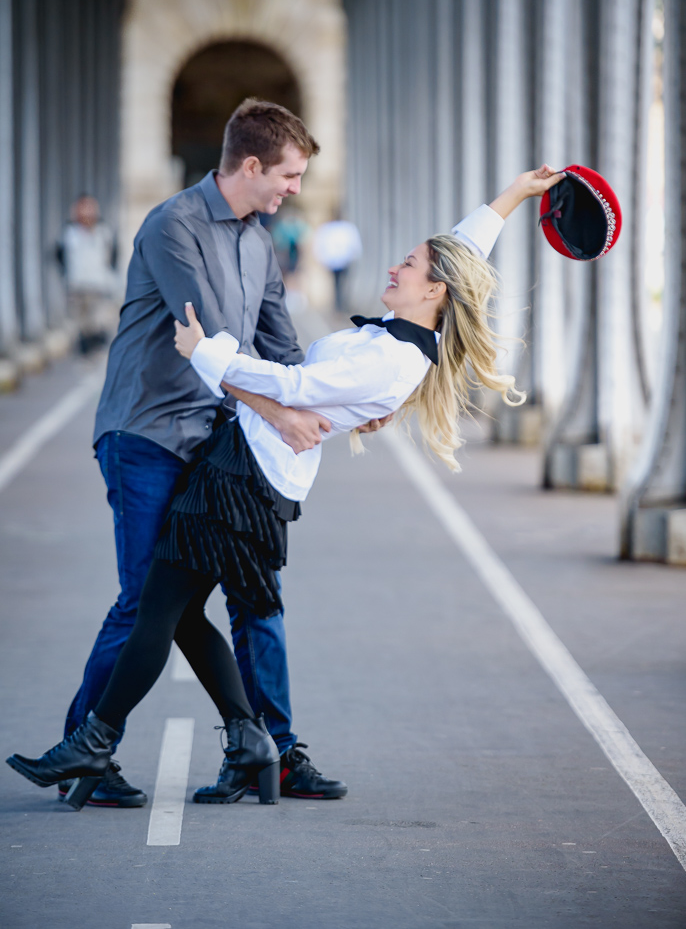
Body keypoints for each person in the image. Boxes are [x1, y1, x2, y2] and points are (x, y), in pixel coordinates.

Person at [7, 166, 566, 809]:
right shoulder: (404, 339)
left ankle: (98, 741)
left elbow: (293, 390)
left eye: (408, 265)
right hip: (254, 474)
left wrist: (202, 351)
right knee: (181, 611)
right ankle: (247, 744)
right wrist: (517, 195)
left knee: (160, 607)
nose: (394, 267)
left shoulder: (389, 357)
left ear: (434, 290)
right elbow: (465, 248)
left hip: (240, 476)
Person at [58, 99, 350, 809]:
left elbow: (279, 345)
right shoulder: (173, 226)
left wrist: (339, 406)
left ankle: (273, 753)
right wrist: (281, 412)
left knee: (257, 595)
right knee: (144, 603)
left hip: (222, 436)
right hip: (148, 436)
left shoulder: (261, 240)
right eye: (289, 175)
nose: (294, 190)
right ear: (251, 166)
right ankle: (84, 754)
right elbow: (211, 343)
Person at [58, 195, 118, 353]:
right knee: (80, 323)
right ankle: (85, 353)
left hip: (98, 285)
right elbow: (60, 256)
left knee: (97, 322)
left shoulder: (104, 232)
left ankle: (96, 351)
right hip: (76, 284)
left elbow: (113, 255)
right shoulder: (69, 232)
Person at [313, 214, 363, 311]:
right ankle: (339, 305)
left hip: (342, 260)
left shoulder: (331, 228)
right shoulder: (344, 228)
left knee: (340, 283)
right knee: (338, 283)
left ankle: (340, 305)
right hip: (338, 260)